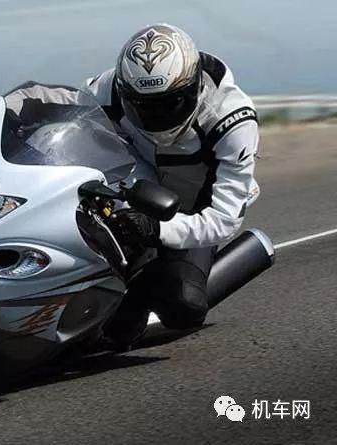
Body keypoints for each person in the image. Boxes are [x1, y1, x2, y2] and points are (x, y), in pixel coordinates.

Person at [81, 23, 260, 347]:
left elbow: (224, 219)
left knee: (182, 307)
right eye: (142, 107)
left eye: (169, 105)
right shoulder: (108, 89)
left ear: (194, 88)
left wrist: (158, 230)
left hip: (195, 208)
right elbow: (65, 110)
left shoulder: (232, 119)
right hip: (129, 191)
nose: (155, 117)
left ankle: (248, 254)